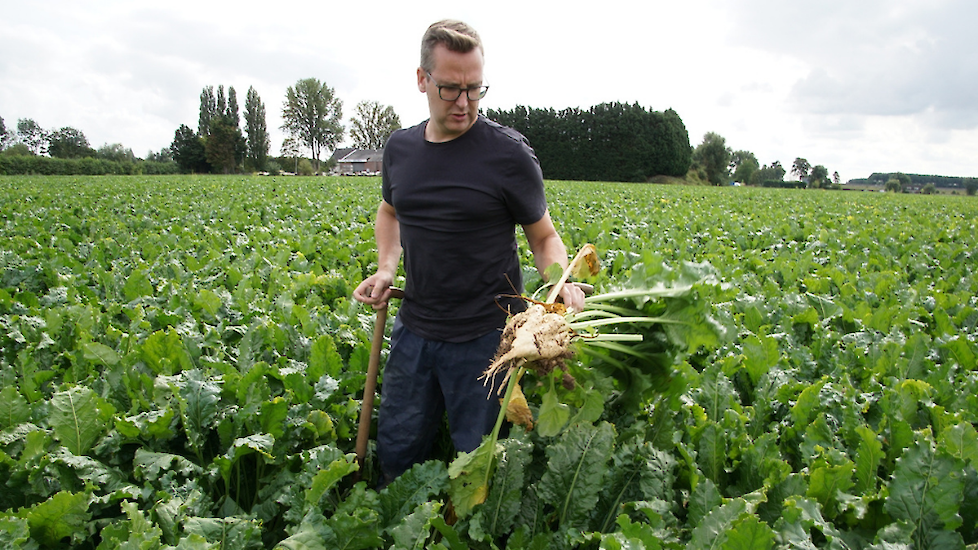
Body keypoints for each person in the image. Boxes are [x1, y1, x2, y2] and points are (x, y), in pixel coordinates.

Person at [353, 19, 584, 485]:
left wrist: (560, 281)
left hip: (487, 342)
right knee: (397, 453)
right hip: (415, 331)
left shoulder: (507, 154)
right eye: (450, 89)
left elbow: (543, 236)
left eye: (475, 90)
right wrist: (385, 267)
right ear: (422, 80)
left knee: (479, 468)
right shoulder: (400, 149)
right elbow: (389, 212)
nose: (464, 103)